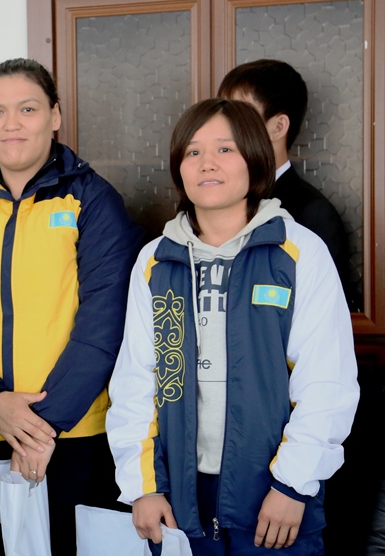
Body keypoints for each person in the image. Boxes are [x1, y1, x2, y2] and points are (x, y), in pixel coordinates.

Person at [106, 98, 359, 555]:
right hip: (178, 498)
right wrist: (143, 487)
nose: (207, 163)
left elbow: (327, 382)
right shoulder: (155, 261)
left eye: (225, 149)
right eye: (193, 152)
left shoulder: (298, 251)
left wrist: (293, 485)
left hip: (273, 496)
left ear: (255, 159)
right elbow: (135, 382)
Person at [0, 58, 143, 555]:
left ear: (55, 115)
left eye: (27, 109)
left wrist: (42, 429)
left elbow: (105, 323)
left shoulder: (93, 201)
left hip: (72, 437)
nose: (11, 124)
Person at [217, 59, 354, 308]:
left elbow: (326, 313)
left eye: (241, 114)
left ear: (278, 127)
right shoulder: (214, 201)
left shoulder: (312, 214)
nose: (223, 126)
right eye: (224, 112)